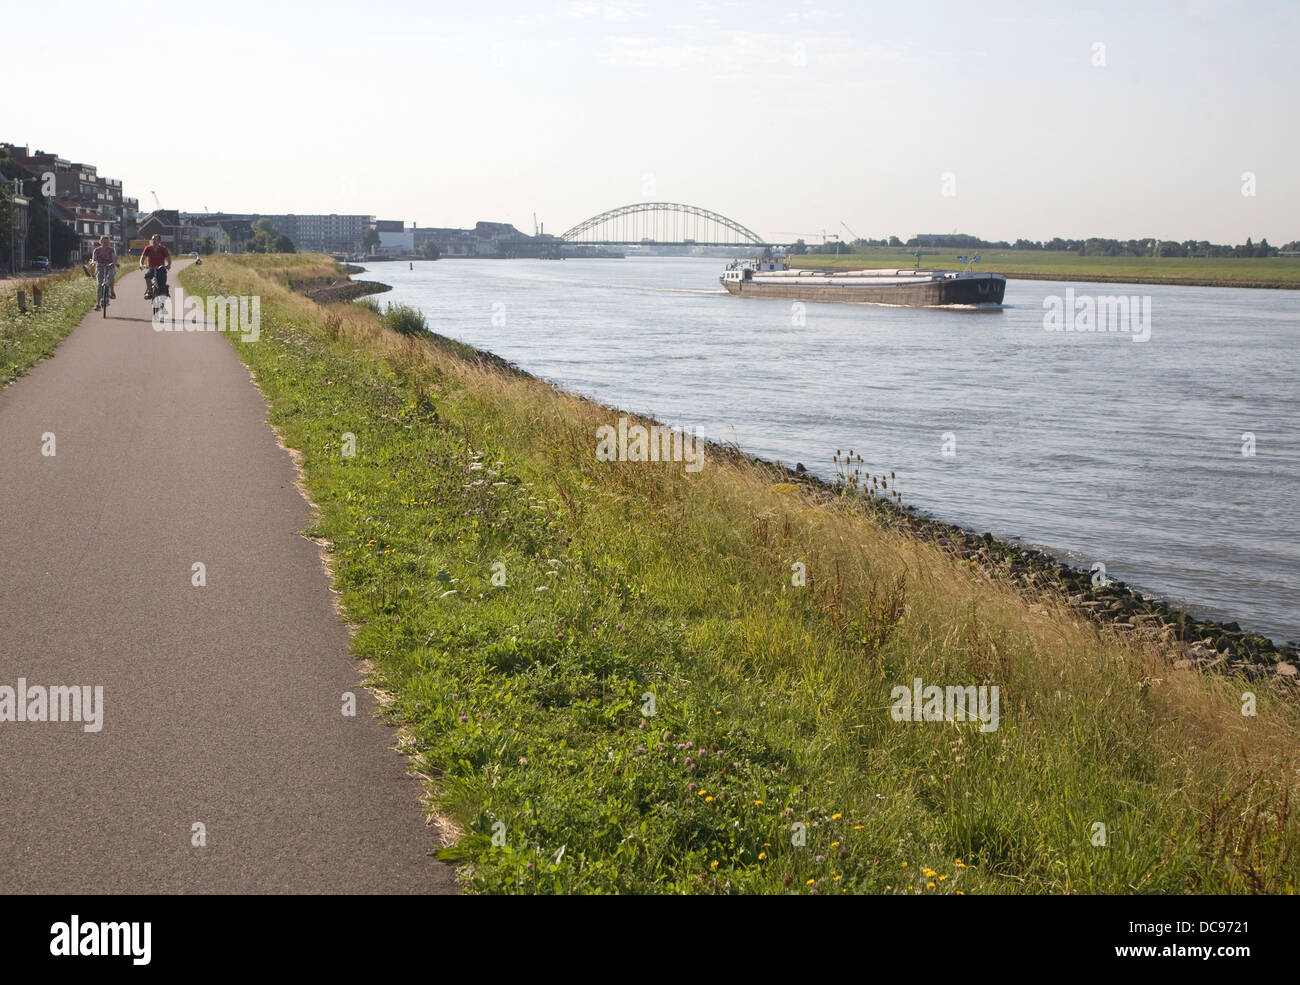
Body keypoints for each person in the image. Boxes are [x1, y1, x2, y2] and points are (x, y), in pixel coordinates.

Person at [140, 234, 172, 299]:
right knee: (147, 276)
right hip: (151, 267)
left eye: (156, 239)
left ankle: (164, 294)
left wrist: (168, 265)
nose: (154, 241)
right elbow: (142, 257)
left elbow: (168, 258)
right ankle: (149, 291)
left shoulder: (163, 249)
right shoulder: (148, 248)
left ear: (159, 241)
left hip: (160, 267)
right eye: (153, 239)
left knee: (162, 283)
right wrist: (141, 264)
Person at [90, 235, 117, 309]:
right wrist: (93, 262)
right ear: (100, 242)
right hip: (100, 268)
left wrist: (114, 263)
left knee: (110, 276)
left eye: (107, 242)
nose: (105, 244)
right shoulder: (96, 250)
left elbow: (114, 257)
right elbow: (94, 258)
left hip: (109, 266)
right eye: (104, 242)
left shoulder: (111, 250)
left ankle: (112, 291)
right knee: (99, 285)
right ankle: (98, 304)